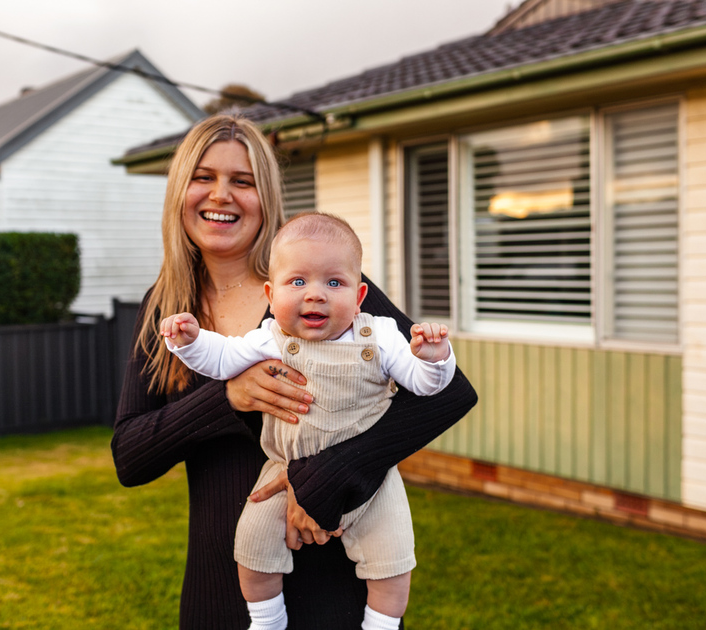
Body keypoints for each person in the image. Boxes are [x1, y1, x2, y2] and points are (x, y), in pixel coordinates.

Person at [111, 114, 478, 630]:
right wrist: (228, 397)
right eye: (204, 177)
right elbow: (130, 456)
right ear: (179, 192)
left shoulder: (316, 280)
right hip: (221, 580)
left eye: (243, 181)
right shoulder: (166, 310)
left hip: (332, 571)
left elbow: (450, 392)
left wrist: (327, 477)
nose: (221, 196)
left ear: (266, 197)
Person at [160, 212, 456, 630]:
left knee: (393, 562)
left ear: (359, 297)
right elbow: (223, 358)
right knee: (252, 547)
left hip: (373, 482)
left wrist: (434, 359)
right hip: (282, 476)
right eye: (297, 282)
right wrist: (190, 342)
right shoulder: (268, 338)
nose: (315, 295)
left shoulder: (383, 336)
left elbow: (427, 386)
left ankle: (382, 625)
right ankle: (266, 620)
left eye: (334, 283)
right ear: (271, 293)